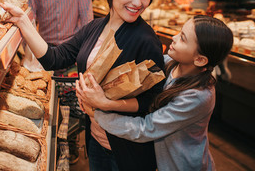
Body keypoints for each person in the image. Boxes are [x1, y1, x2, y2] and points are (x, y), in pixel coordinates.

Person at [1, 0, 165, 171]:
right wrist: (23, 21)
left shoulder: (147, 40)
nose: (138, 3)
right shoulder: (96, 27)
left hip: (127, 151)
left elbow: (154, 102)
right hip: (96, 140)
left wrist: (106, 103)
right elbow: (55, 58)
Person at [76, 15, 234, 171]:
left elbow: (146, 128)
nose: (174, 37)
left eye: (183, 39)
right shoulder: (167, 63)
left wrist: (97, 112)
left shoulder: (198, 96)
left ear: (200, 60)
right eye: (179, 32)